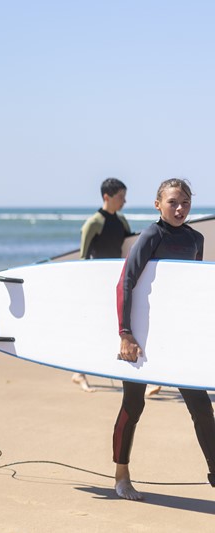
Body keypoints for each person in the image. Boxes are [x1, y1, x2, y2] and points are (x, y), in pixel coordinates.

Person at [113, 178, 215, 500]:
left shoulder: (195, 239)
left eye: (185, 202)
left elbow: (187, 292)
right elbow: (125, 283)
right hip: (142, 336)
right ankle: (122, 474)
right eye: (173, 202)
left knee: (201, 408)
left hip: (178, 338)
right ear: (158, 204)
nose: (180, 208)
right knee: (133, 404)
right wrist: (125, 333)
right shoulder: (151, 235)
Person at [72, 178, 131, 392]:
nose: (124, 201)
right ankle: (79, 373)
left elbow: (128, 250)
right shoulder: (94, 223)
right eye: (120, 197)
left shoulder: (122, 222)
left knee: (116, 326)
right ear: (107, 197)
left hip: (116, 281)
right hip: (97, 282)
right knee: (92, 326)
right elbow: (82, 258)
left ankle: (120, 370)